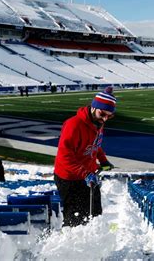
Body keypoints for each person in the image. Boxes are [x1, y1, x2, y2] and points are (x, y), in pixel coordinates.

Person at [54, 87, 116, 227]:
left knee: (95, 214)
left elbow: (95, 144)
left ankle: (94, 242)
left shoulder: (98, 122)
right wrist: (85, 173)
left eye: (109, 116)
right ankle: (70, 244)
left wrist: (103, 160)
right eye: (103, 114)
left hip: (87, 175)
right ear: (94, 107)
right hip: (69, 178)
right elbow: (65, 156)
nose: (105, 118)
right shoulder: (73, 125)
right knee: (76, 218)